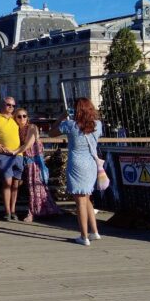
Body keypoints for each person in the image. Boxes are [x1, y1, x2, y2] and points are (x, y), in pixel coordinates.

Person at [50, 97, 103, 246]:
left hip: (77, 164)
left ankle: (83, 236)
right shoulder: (98, 125)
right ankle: (94, 231)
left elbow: (51, 133)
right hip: (92, 163)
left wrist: (62, 117)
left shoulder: (70, 125)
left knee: (79, 201)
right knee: (86, 197)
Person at [12, 108, 61, 222]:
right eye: (19, 116)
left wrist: (15, 151)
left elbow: (29, 143)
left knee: (35, 187)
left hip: (35, 162)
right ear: (15, 118)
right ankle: (45, 210)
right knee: (33, 187)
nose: (22, 118)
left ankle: (33, 212)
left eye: (24, 116)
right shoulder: (17, 129)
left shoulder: (32, 127)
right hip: (26, 161)